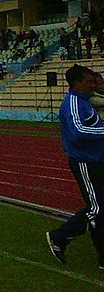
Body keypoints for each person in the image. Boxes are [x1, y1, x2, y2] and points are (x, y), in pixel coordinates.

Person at [47, 65, 104, 269]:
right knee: (97, 209)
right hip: (85, 162)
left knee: (100, 208)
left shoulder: (85, 102)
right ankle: (59, 236)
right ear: (77, 83)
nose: (92, 85)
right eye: (89, 82)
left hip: (97, 160)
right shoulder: (72, 103)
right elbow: (78, 131)